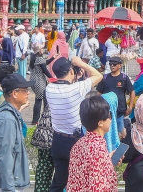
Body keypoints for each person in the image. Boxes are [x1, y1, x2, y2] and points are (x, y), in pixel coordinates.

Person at [46, 56, 103, 192]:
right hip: (75, 141)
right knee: (81, 181)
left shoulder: (49, 89)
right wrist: (80, 63)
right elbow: (98, 75)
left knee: (59, 182)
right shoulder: (76, 89)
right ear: (71, 71)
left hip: (57, 140)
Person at [0, 73, 33, 192]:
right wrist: (9, 188)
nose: (28, 93)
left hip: (5, 182)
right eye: (25, 90)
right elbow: (4, 155)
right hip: (4, 184)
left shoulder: (9, 115)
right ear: (14, 93)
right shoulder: (6, 119)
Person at [66, 93, 119, 192]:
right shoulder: (98, 149)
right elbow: (97, 186)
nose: (111, 119)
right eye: (109, 115)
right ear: (100, 122)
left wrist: (108, 159)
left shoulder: (79, 144)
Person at [98, 56, 134, 138]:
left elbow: (132, 92)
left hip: (119, 112)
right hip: (107, 113)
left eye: (114, 64)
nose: (112, 66)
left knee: (120, 135)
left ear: (120, 66)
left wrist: (130, 107)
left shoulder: (124, 78)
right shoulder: (105, 78)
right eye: (110, 64)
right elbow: (99, 93)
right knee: (107, 135)